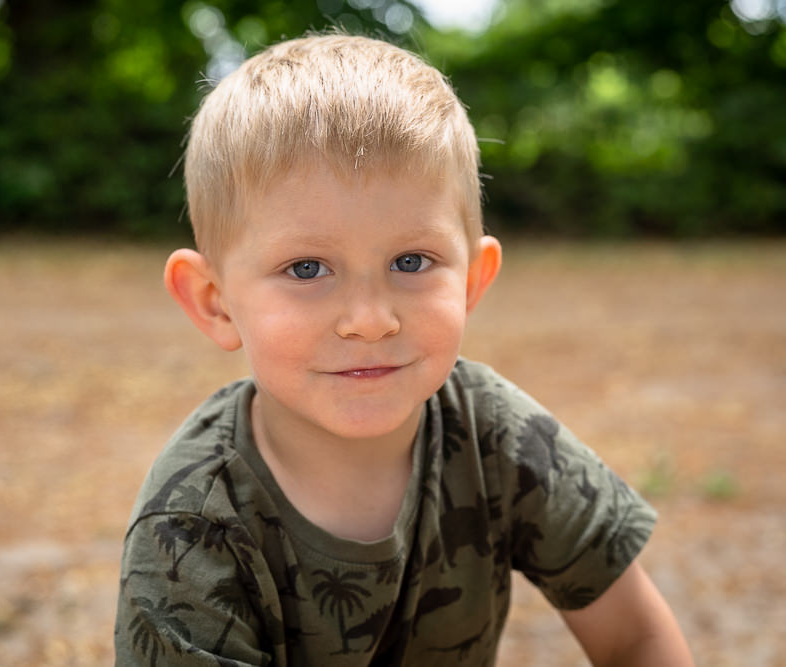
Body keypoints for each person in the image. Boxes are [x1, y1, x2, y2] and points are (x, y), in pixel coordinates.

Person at [114, 33, 693, 666]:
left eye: (411, 261)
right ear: (215, 302)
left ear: (472, 280)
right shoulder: (190, 528)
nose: (370, 320)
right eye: (307, 269)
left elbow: (635, 638)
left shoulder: (492, 430)